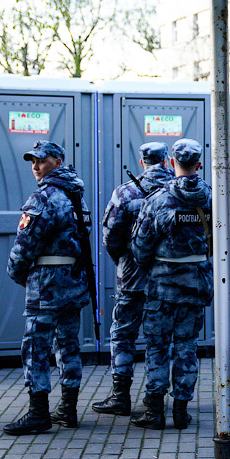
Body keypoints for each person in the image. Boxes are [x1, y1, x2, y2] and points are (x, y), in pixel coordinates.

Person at [3, 141, 91, 435]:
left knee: (36, 347)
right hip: (73, 280)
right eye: (32, 161)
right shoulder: (77, 195)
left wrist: (17, 273)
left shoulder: (44, 197)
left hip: (46, 284)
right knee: (68, 344)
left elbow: (25, 244)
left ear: (57, 160)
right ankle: (68, 409)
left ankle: (38, 413)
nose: (35, 167)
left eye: (41, 160)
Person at [129, 139, 213, 430]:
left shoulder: (157, 200)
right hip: (196, 285)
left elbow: (140, 248)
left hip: (161, 288)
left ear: (171, 164)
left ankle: (154, 411)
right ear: (198, 165)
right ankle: (181, 410)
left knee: (157, 347)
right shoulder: (213, 198)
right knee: (187, 347)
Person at [92, 142, 174, 416]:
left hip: (130, 278)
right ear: (167, 161)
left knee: (123, 335)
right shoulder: (178, 191)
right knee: (159, 339)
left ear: (142, 163)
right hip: (167, 279)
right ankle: (155, 400)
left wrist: (124, 261)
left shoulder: (125, 192)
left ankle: (120, 396)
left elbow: (110, 237)